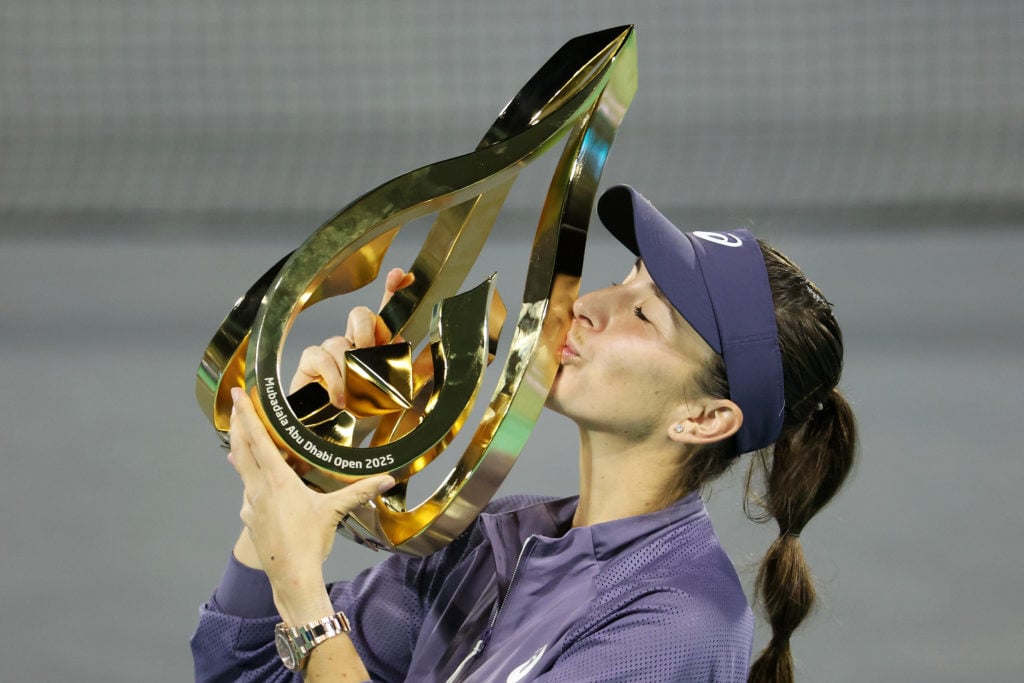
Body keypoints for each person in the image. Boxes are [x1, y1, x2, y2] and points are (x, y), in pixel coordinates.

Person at [191, 184, 857, 682]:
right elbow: (243, 669)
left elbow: (305, 636)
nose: (590, 305)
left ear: (704, 417)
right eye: (624, 277)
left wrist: (306, 596)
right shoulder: (498, 540)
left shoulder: (676, 629)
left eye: (645, 313)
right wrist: (309, 460)